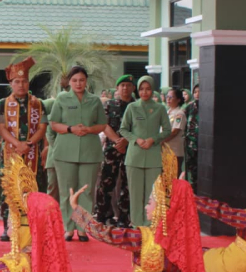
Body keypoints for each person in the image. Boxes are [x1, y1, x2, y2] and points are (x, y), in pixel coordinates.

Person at [70, 146, 216, 272]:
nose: (147, 207)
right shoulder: (182, 246)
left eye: (150, 203)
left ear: (163, 209)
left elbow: (104, 233)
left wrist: (77, 210)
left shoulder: (143, 237)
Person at [49, 66, 107, 241]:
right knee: (67, 191)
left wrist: (89, 129)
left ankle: (83, 228)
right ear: (69, 82)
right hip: (65, 150)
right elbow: (53, 123)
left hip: (90, 151)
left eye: (81, 80)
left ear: (86, 81)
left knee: (86, 191)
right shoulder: (62, 99)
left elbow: (102, 125)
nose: (78, 83)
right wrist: (70, 128)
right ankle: (69, 228)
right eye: (74, 80)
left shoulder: (95, 100)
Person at [0, 57, 48, 241]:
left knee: (34, 187)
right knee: (10, 188)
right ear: (11, 83)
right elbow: (1, 127)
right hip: (11, 151)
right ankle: (8, 227)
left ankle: (35, 226)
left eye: (24, 81)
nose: (21, 85)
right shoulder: (3, 103)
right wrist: (17, 144)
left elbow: (42, 127)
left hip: (32, 151)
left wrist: (30, 143)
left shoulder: (38, 103)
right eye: (17, 81)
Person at [119, 76, 171, 227]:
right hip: (134, 156)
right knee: (135, 194)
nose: (144, 92)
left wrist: (153, 139)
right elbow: (123, 129)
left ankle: (149, 225)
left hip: (153, 156)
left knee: (151, 194)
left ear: (153, 89)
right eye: (141, 89)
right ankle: (136, 225)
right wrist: (136, 139)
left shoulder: (160, 108)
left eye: (148, 89)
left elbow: (167, 130)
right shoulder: (132, 107)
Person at [95, 74, 134, 228]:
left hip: (131, 149)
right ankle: (103, 215)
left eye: (128, 85)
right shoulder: (110, 105)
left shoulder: (137, 106)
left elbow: (138, 128)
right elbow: (104, 124)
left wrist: (126, 140)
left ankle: (124, 217)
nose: (125, 88)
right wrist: (118, 141)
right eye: (122, 85)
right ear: (117, 88)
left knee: (127, 184)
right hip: (112, 149)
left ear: (133, 88)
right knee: (106, 182)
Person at [163, 88, 187, 174]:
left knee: (173, 176)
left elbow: (174, 132)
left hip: (174, 151)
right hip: (165, 150)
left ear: (178, 100)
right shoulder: (167, 112)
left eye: (171, 97)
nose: (168, 99)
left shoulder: (179, 114)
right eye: (167, 97)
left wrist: (161, 141)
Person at [184, 84, 199, 190]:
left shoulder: (209, 106)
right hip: (191, 145)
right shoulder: (189, 107)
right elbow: (183, 124)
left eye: (199, 91)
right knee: (192, 170)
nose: (197, 94)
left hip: (204, 145)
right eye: (195, 92)